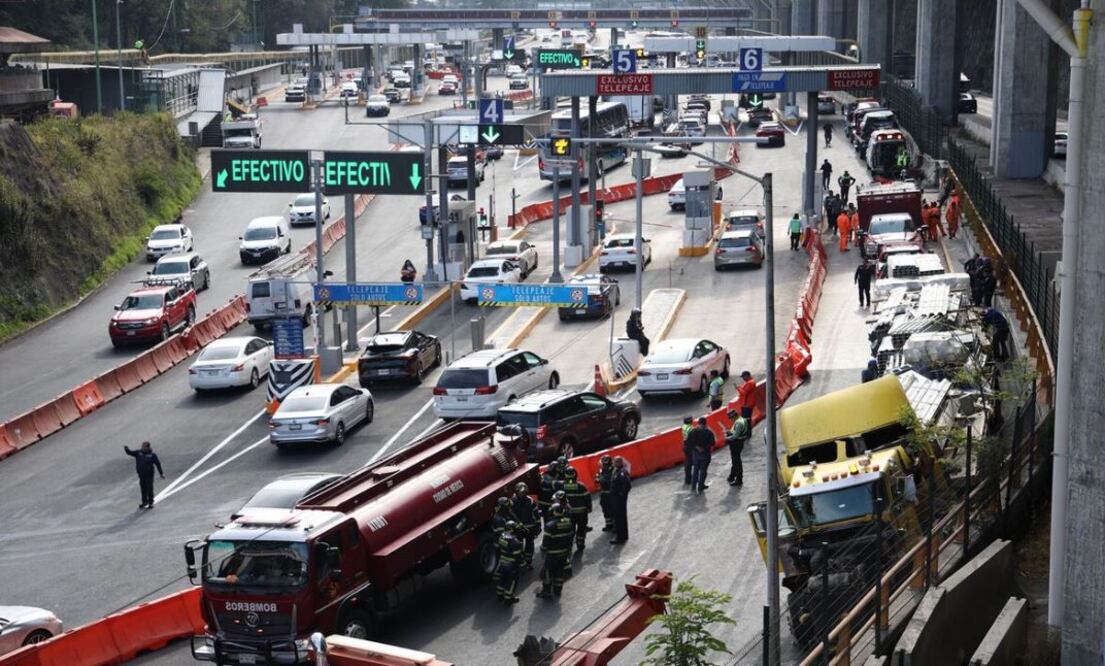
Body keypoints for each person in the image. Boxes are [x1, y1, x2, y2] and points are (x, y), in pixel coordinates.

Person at [536, 503, 574, 599]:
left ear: (554, 512)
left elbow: (546, 541)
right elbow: (570, 537)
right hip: (564, 553)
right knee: (559, 572)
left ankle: (547, 591)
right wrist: (568, 549)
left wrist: (543, 550)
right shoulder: (568, 522)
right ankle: (557, 590)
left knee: (547, 572)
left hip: (552, 554)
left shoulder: (550, 525)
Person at [124, 442, 164, 509]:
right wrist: (126, 449)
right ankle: (144, 502)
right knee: (143, 488)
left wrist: (161, 473)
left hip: (149, 474)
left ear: (148, 447)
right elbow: (130, 453)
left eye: (144, 446)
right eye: (142, 446)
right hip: (141, 474)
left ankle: (151, 503)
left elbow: (158, 464)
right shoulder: (138, 453)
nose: (142, 447)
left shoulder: (152, 455)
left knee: (149, 488)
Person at [561, 467, 592, 550]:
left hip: (569, 512)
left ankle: (569, 545)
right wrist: (589, 507)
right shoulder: (581, 486)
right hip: (581, 512)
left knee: (570, 530)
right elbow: (587, 497)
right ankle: (580, 544)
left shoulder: (562, 486)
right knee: (581, 528)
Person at [512, 482, 540, 569]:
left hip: (529, 529)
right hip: (518, 529)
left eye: (524, 493)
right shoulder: (512, 502)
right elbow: (510, 516)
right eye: (520, 493)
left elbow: (536, 515)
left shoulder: (530, 501)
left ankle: (528, 562)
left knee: (529, 545)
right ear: (517, 492)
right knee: (518, 546)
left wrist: (538, 527)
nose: (522, 494)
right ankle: (521, 562)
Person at [494, 521, 524, 603]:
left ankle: (499, 594)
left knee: (502, 579)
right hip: (511, 565)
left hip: (502, 562)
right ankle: (508, 598)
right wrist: (523, 564)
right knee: (512, 581)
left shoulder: (501, 537)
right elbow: (518, 557)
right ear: (512, 529)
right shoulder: (515, 543)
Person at [687, 417, 715, 493]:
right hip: (705, 454)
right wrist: (704, 448)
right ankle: (700, 486)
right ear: (705, 424)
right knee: (703, 471)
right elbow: (712, 443)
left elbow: (688, 442)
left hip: (696, 454)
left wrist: (696, 447)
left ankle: (693, 486)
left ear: (698, 423)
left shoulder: (693, 431)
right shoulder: (709, 432)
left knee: (695, 470)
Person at [609, 457, 632, 544]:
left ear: (620, 463)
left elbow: (627, 485)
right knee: (620, 517)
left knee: (619, 518)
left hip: (619, 499)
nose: (614, 463)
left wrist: (621, 495)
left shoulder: (622, 472)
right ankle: (623, 536)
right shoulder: (616, 471)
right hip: (616, 498)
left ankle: (620, 537)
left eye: (616, 462)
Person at [725, 409, 750, 487]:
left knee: (736, 462)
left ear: (733, 417)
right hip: (739, 441)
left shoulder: (738, 423)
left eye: (731, 418)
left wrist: (727, 438)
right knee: (735, 461)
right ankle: (732, 476)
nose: (731, 420)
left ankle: (738, 479)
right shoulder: (741, 419)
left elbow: (735, 436)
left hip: (736, 443)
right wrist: (730, 432)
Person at [595, 455, 615, 532]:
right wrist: (598, 478)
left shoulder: (613, 470)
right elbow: (597, 479)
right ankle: (609, 524)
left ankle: (615, 525)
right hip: (603, 494)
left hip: (611, 493)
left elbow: (607, 480)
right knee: (605, 509)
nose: (603, 465)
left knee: (613, 510)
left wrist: (601, 479)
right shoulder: (601, 470)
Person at [682, 416, 695, 485]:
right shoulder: (690, 428)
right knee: (690, 462)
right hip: (690, 446)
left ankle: (688, 477)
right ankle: (689, 479)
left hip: (685, 445)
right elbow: (693, 438)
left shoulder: (684, 426)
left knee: (687, 462)